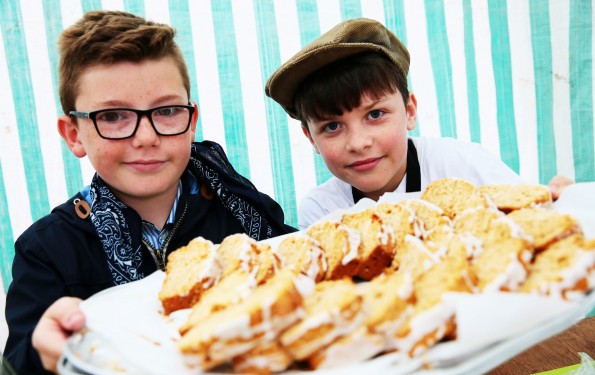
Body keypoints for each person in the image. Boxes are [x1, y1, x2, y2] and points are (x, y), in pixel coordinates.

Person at [4, 10, 295, 374]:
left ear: (191, 121)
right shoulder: (46, 253)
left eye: (168, 110)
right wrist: (41, 357)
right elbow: (20, 360)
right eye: (113, 117)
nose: (146, 138)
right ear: (74, 134)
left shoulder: (243, 209)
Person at [265, 17, 573, 230]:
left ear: (410, 111)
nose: (358, 142)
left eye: (375, 115)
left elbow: (533, 219)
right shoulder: (322, 212)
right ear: (310, 138)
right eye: (332, 126)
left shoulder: (463, 167)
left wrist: (563, 206)